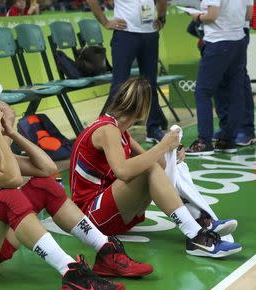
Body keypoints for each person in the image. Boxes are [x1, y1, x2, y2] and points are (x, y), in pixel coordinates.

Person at [0, 100, 158, 290]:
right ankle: (71, 272)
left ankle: (105, 248)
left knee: (44, 185)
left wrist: (13, 134)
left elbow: (47, 169)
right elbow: (12, 179)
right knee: (8, 196)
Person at [69, 77, 241, 258]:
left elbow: (159, 164)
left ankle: (198, 220)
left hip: (107, 212)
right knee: (149, 168)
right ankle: (195, 236)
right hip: (90, 219)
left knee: (153, 167)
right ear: (144, 109)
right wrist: (163, 146)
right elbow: (123, 171)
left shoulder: (119, 131)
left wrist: (173, 151)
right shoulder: (108, 130)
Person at [86, 0, 168, 143]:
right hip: (125, 34)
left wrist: (161, 17)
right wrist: (105, 22)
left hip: (149, 34)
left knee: (150, 84)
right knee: (119, 85)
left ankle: (153, 128)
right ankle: (108, 130)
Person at [185, 0, 251, 155]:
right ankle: (228, 140)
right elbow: (248, 15)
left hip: (218, 41)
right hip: (238, 41)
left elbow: (212, 15)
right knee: (235, 91)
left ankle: (204, 142)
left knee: (203, 91)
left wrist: (197, 16)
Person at [212, 0, 254, 147]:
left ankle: (246, 128)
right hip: (214, 32)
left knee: (239, 79)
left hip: (237, 30)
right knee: (219, 79)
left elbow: (249, 13)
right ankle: (227, 127)